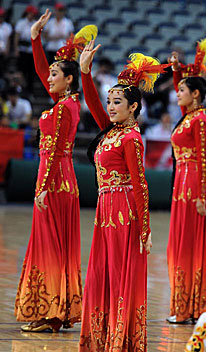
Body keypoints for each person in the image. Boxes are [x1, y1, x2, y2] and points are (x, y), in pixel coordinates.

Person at [14, 10, 95, 333]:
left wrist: (43, 187)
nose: (48, 78)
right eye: (49, 75)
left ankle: (51, 312)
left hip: (55, 179)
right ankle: (56, 307)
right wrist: (35, 39)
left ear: (70, 79)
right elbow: (39, 69)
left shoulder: (65, 107)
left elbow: (57, 148)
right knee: (54, 244)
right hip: (57, 177)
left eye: (54, 75)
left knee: (50, 244)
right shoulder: (66, 102)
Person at [79, 40, 160, 350]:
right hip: (105, 211)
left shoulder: (131, 138)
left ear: (133, 107)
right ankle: (102, 336)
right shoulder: (109, 131)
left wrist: (145, 229)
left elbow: (140, 184)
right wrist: (85, 71)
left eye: (117, 102)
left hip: (124, 213)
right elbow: (93, 104)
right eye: (110, 101)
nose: (111, 106)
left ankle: (120, 338)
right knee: (102, 273)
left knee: (119, 273)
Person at [165, 36, 206, 324]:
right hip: (180, 185)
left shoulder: (200, 121)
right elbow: (180, 86)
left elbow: (204, 158)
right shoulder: (187, 117)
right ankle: (182, 305)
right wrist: (176, 71)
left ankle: (191, 307)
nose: (177, 94)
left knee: (188, 247)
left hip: (193, 185)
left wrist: (199, 195)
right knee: (178, 245)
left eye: (182, 91)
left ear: (195, 95)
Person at [14, 5, 38, 92]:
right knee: (21, 70)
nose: (32, 15)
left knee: (31, 71)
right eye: (31, 13)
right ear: (27, 13)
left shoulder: (35, 23)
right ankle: (20, 88)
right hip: (22, 49)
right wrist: (16, 48)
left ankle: (30, 90)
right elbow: (17, 37)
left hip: (31, 50)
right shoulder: (21, 23)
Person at [0, 7, 12, 77]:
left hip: (3, 51)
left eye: (2, 17)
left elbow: (8, 39)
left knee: (2, 70)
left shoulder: (7, 26)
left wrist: (7, 50)